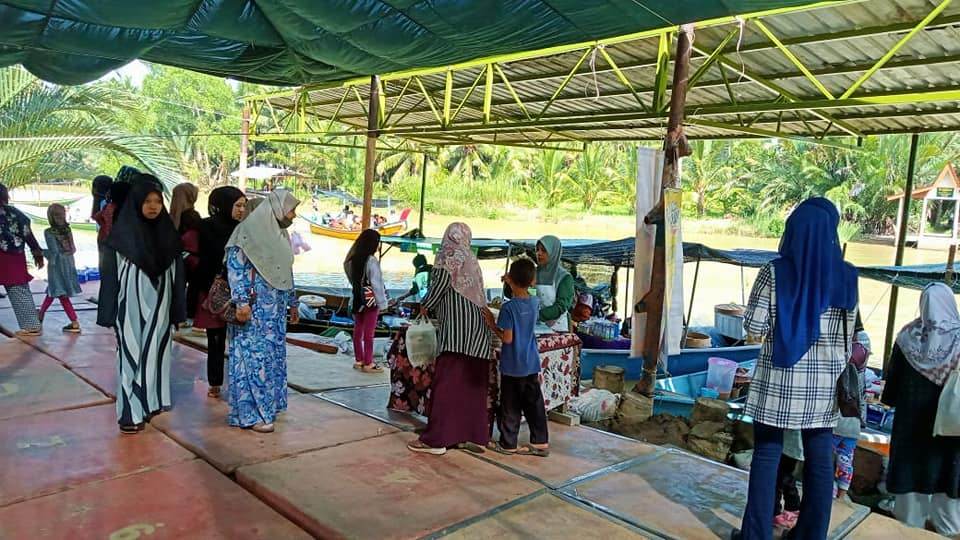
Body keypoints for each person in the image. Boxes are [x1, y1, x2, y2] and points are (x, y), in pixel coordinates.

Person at [734, 198, 859, 540]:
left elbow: (754, 327)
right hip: (824, 385)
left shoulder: (773, 272)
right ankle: (811, 534)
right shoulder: (848, 275)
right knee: (820, 459)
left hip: (779, 379)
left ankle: (755, 535)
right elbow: (848, 337)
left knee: (767, 454)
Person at [97, 176, 186, 434]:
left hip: (161, 310)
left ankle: (149, 402)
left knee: (156, 355)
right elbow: (110, 278)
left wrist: (178, 312)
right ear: (136, 203)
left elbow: (178, 279)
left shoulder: (168, 237)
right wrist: (108, 313)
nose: (153, 206)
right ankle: (129, 414)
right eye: (147, 201)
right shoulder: (120, 239)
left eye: (157, 201)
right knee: (130, 356)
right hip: (130, 310)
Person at [408, 223, 495, 456]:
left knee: (446, 384)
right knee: (470, 386)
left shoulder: (448, 253)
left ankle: (437, 440)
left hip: (457, 333)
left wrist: (425, 305)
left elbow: (439, 285)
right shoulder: (471, 258)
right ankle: (468, 435)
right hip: (478, 331)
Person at [883, 282, 960, 536]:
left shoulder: (906, 338)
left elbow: (890, 394)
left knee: (907, 519)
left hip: (910, 439)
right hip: (949, 440)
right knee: (949, 516)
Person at [224, 188, 300, 433]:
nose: (294, 215)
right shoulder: (245, 234)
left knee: (271, 358)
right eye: (291, 209)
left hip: (275, 312)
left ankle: (268, 407)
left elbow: (286, 271)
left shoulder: (280, 235)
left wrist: (293, 303)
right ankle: (251, 414)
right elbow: (236, 270)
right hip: (253, 311)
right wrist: (241, 302)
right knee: (252, 359)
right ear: (277, 208)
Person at [491, 258, 549, 457]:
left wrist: (492, 324)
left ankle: (508, 443)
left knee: (511, 405)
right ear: (532, 281)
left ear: (511, 279)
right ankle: (540, 442)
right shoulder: (534, 302)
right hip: (531, 362)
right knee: (534, 404)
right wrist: (513, 281)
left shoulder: (508, 308)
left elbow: (507, 339)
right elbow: (522, 289)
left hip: (513, 365)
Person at [194, 186, 246, 398]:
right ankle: (215, 382)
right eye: (238, 205)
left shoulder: (244, 229)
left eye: (244, 206)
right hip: (213, 291)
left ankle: (239, 381)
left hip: (240, 292)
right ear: (225, 205)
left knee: (240, 338)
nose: (242, 210)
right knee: (215, 338)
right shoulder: (205, 227)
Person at [0, 183, 45, 336]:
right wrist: (36, 251)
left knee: (18, 289)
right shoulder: (16, 213)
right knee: (19, 289)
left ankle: (32, 326)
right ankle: (31, 325)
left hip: (6, 256)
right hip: (15, 256)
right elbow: (28, 234)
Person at [344, 229, 387, 373]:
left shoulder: (352, 259)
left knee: (358, 330)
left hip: (357, 297)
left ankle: (359, 360)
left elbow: (350, 275)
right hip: (370, 300)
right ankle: (368, 363)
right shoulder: (371, 260)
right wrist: (383, 303)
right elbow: (376, 283)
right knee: (369, 332)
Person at [833, 326, 869, 501]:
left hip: (835, 423)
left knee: (826, 460)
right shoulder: (862, 376)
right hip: (853, 424)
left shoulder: (839, 369)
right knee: (846, 460)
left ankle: (829, 492)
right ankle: (842, 494)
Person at [39, 204, 82, 333]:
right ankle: (40, 314)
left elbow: (54, 253)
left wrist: (40, 252)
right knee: (52, 290)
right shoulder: (68, 230)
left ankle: (74, 322)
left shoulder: (49, 232)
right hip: (69, 263)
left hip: (57, 266)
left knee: (60, 292)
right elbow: (73, 249)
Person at [533, 236, 575, 331]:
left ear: (554, 252)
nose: (539, 253)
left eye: (544, 250)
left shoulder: (564, 277)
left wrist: (537, 315)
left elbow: (561, 306)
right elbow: (527, 293)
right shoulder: (533, 273)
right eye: (537, 250)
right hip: (535, 326)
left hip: (558, 329)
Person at [773, 430, 804, 531]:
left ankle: (778, 510)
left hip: (790, 439)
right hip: (794, 440)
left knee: (781, 474)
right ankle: (791, 507)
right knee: (784, 473)